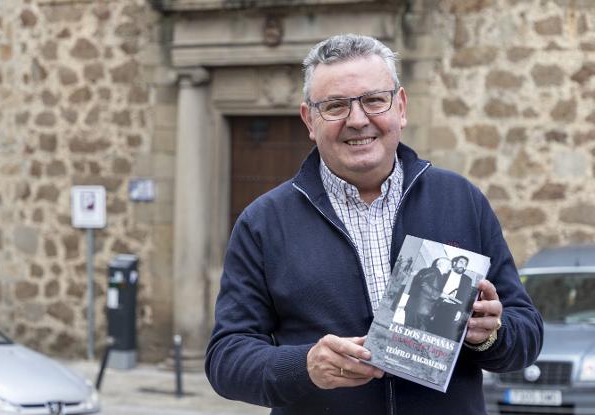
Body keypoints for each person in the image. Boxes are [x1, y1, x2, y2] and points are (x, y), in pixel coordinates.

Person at [205, 34, 543, 414]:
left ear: (400, 106)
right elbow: (226, 358)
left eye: (374, 100)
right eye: (334, 106)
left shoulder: (461, 201)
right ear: (309, 120)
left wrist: (491, 336)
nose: (358, 120)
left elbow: (526, 332)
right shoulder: (263, 222)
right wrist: (303, 366)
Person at [430, 256, 478, 339]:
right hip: (437, 304)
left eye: (465, 264)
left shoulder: (467, 280)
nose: (463, 265)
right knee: (430, 328)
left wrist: (460, 311)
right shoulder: (444, 273)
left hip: (452, 308)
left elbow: (465, 297)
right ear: (454, 263)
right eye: (461, 262)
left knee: (443, 332)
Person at [403, 257, 451, 331]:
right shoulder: (432, 271)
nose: (450, 268)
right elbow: (423, 284)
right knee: (412, 334)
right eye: (449, 265)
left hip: (421, 310)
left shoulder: (437, 274)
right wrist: (440, 294)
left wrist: (443, 297)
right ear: (441, 264)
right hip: (419, 310)